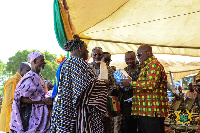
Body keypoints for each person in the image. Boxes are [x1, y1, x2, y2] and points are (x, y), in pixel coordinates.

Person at [50, 39, 108, 132]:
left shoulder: (66, 63)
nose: (88, 52)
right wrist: (104, 83)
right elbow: (87, 88)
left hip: (66, 108)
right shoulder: (77, 62)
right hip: (76, 111)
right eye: (86, 49)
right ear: (80, 49)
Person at [121, 44, 169, 133]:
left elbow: (151, 84)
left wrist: (131, 83)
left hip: (152, 111)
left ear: (148, 53)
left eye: (139, 55)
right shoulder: (147, 66)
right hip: (146, 110)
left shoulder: (153, 65)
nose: (138, 57)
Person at [10, 52, 52, 133]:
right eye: (42, 60)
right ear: (34, 61)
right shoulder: (29, 77)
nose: (44, 62)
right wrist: (43, 101)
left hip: (41, 115)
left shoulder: (39, 77)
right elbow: (22, 98)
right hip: (31, 116)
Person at [0, 62, 31, 133]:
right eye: (27, 71)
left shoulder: (21, 80)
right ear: (21, 69)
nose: (29, 73)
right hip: (10, 118)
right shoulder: (13, 81)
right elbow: (10, 102)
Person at [120, 51, 141, 133]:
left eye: (132, 59)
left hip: (139, 102)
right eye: (127, 59)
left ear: (135, 58)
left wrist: (131, 82)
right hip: (127, 104)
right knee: (129, 126)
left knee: (140, 126)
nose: (129, 61)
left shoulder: (141, 69)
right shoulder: (123, 71)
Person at [101, 52, 121, 133]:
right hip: (97, 102)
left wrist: (110, 91)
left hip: (109, 101)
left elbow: (116, 85)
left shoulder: (110, 70)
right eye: (105, 60)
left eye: (109, 60)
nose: (107, 62)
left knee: (110, 123)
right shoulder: (92, 68)